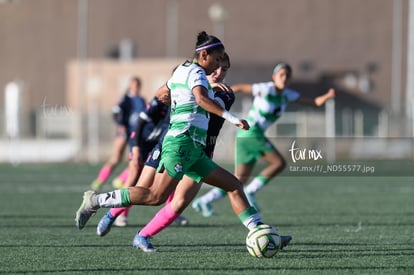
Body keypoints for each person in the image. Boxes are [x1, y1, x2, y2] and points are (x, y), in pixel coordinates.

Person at [75, 31, 291, 252]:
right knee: (154, 196)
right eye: (216, 60)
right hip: (181, 144)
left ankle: (260, 231)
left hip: (195, 150)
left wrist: (180, 95)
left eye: (222, 65)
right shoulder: (197, 73)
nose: (218, 67)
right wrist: (233, 118)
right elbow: (199, 99)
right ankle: (96, 201)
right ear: (204, 55)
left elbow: (161, 93)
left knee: (234, 185)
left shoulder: (182, 70)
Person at [96, 53, 262, 252]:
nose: (219, 72)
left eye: (224, 69)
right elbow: (165, 96)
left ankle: (142, 236)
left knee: (179, 201)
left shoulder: (226, 94)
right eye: (216, 66)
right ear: (206, 63)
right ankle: (111, 213)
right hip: (170, 144)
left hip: (199, 153)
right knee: (144, 188)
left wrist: (207, 91)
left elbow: (207, 108)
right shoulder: (190, 83)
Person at [192, 62, 336, 216]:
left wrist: (328, 96)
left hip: (246, 136)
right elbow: (241, 88)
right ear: (274, 77)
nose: (284, 78)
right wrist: (219, 93)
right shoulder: (267, 88)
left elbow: (314, 102)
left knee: (238, 181)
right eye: (281, 75)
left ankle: (204, 201)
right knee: (279, 163)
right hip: (251, 132)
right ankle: (251, 192)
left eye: (287, 75)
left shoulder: (287, 95)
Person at [90, 77, 146, 191]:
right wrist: (121, 125)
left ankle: (120, 180)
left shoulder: (141, 100)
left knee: (137, 158)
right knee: (116, 158)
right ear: (130, 86)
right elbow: (116, 112)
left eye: (138, 85)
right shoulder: (125, 98)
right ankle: (99, 180)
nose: (136, 87)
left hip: (136, 134)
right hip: (124, 132)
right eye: (134, 85)